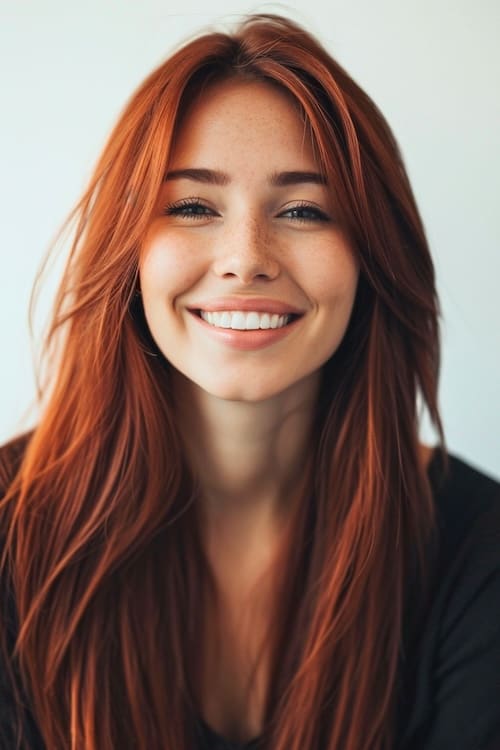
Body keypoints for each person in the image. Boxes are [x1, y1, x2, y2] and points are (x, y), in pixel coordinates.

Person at [0, 13, 499, 750]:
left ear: (374, 257)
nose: (246, 258)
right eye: (194, 206)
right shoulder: (12, 534)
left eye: (303, 210)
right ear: (127, 251)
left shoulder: (476, 548)